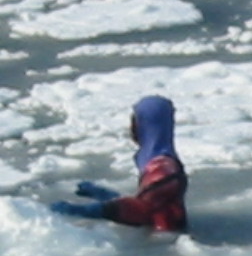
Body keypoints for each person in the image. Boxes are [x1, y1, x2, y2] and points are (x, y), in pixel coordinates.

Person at [51, 94, 188, 232]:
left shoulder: (161, 167)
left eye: (135, 121)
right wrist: (105, 196)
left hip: (163, 242)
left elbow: (143, 209)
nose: (131, 128)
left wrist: (92, 210)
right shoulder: (157, 159)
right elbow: (150, 201)